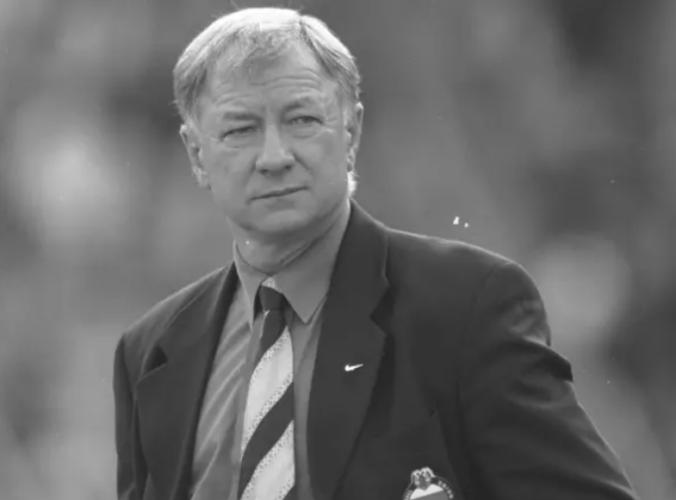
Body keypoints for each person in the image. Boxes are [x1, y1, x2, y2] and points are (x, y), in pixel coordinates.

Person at [113, 7, 639, 500]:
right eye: (240, 129)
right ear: (196, 154)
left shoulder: (466, 306)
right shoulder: (152, 352)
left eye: (302, 119)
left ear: (352, 132)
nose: (274, 155)